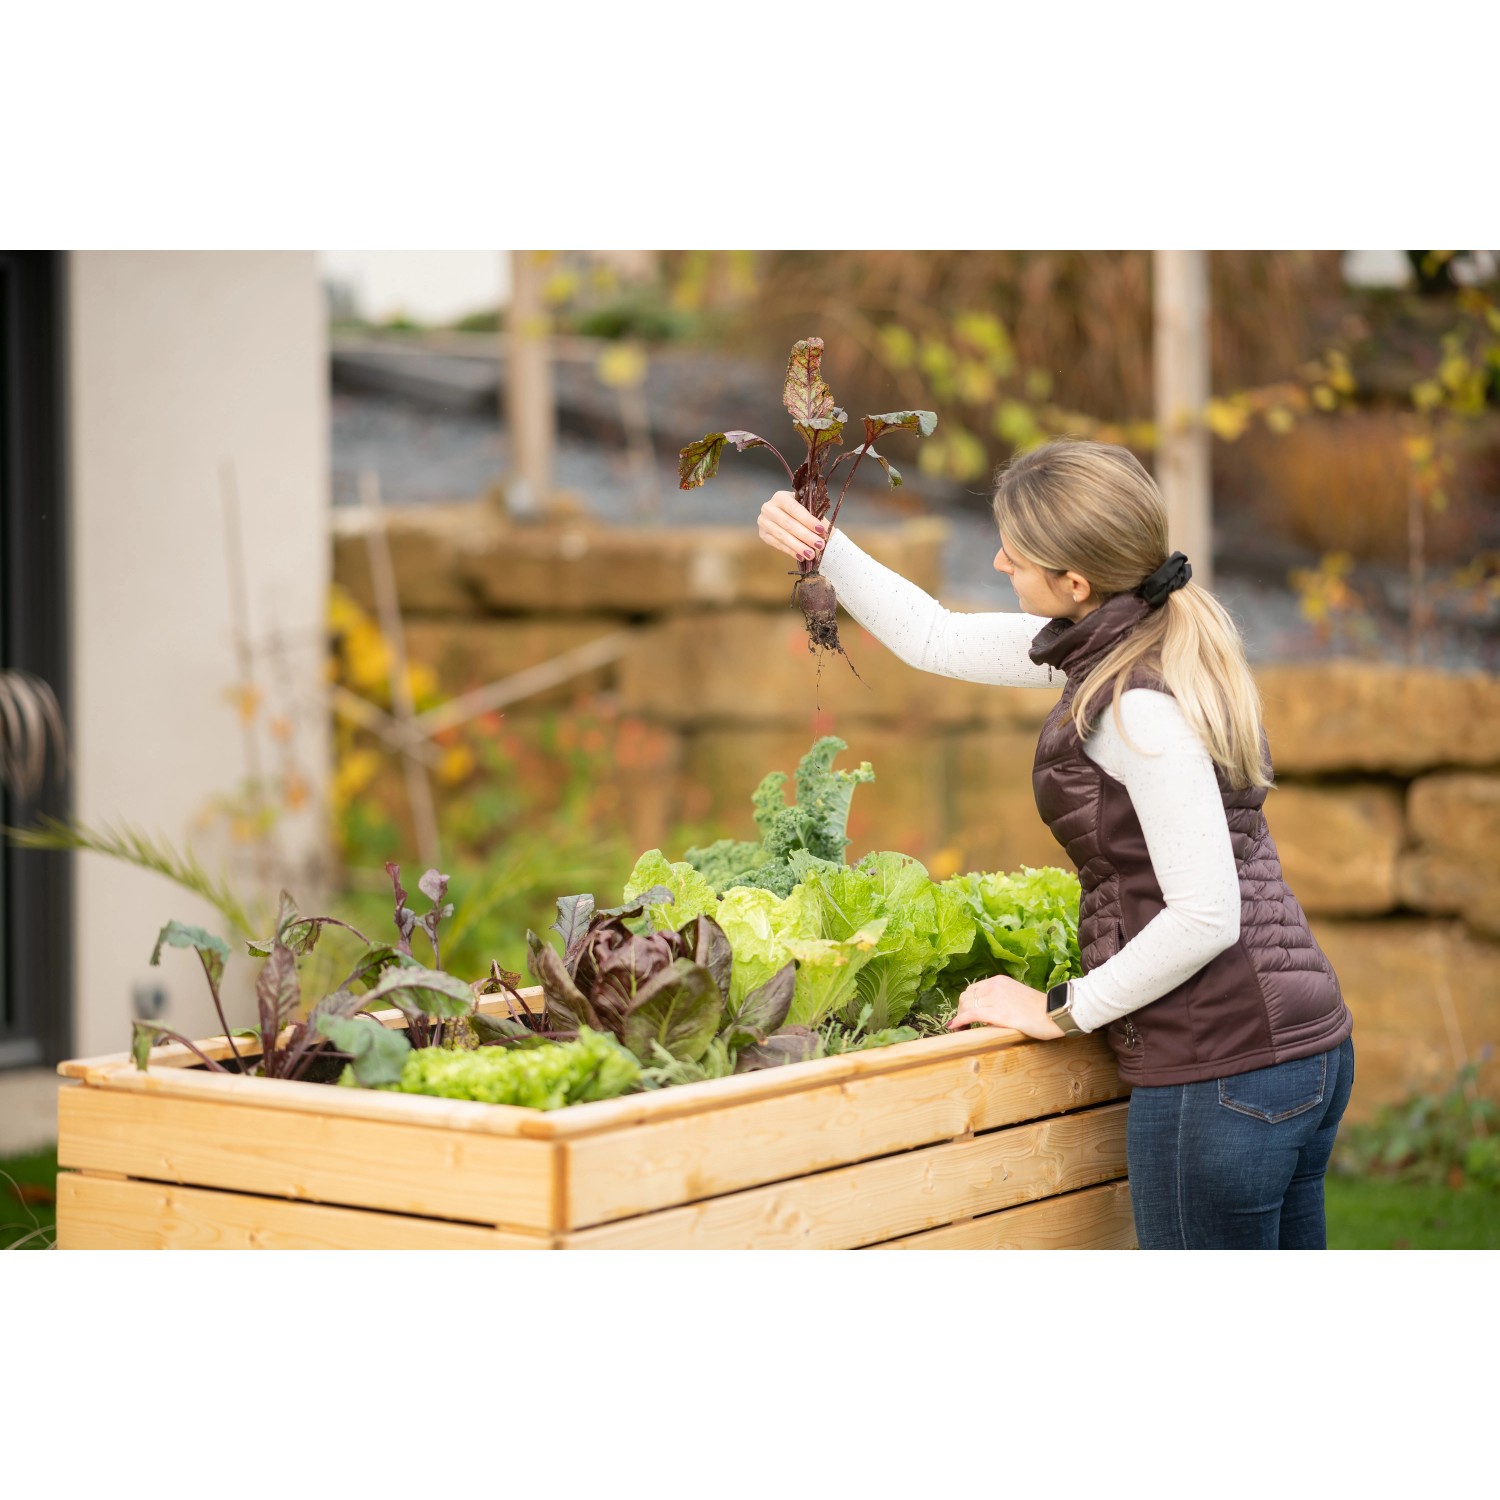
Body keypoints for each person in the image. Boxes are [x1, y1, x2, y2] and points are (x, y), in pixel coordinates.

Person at [755, 437, 1355, 1250]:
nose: (999, 558)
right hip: (1292, 1050)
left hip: (1224, 1070)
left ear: (1075, 582)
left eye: (1018, 552)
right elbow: (936, 636)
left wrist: (1057, 1010)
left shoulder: (1135, 705)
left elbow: (1206, 916)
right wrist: (825, 545)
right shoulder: (1139, 633)